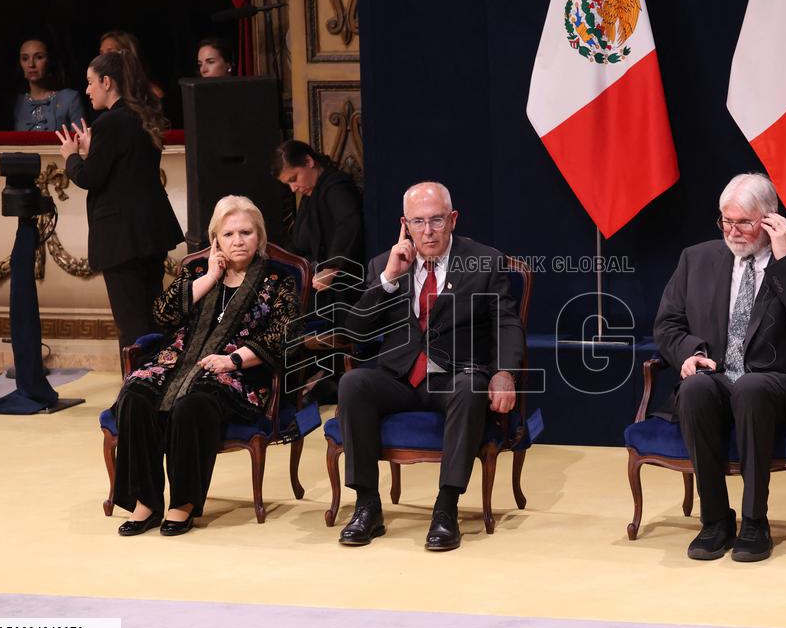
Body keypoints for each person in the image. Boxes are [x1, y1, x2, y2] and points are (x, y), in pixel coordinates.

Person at [653, 172, 786, 563]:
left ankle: (755, 521)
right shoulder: (696, 259)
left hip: (777, 384)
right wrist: (690, 353)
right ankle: (715, 520)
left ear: (770, 220)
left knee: (751, 387)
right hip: (718, 377)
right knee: (695, 388)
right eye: (726, 221)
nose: (733, 232)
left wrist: (785, 262)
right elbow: (667, 325)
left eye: (744, 223)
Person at [335, 181, 524, 551]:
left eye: (436, 220)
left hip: (454, 377)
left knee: (470, 387)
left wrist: (505, 373)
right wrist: (388, 279)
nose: (428, 231)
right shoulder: (385, 264)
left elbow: (507, 323)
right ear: (404, 225)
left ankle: (446, 508)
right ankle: (367, 506)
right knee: (354, 384)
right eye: (418, 222)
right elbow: (354, 331)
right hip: (399, 377)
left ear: (452, 219)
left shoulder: (483, 261)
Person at [111, 195, 303, 536]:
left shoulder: (278, 278)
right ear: (216, 240)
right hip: (178, 361)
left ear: (259, 236)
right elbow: (163, 314)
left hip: (238, 371)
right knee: (136, 394)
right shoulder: (197, 271)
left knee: (193, 403)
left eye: (246, 232)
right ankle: (145, 502)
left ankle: (182, 504)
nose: (238, 241)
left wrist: (232, 360)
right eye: (229, 234)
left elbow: (283, 336)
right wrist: (212, 276)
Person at [56, 50, 184, 352]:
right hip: (149, 235)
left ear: (107, 81)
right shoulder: (141, 117)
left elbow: (90, 177)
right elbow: (125, 172)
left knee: (132, 328)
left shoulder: (109, 123)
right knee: (152, 321)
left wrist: (71, 156)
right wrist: (94, 150)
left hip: (122, 241)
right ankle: (157, 378)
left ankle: (137, 382)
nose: (87, 90)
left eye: (91, 82)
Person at [272, 140, 364, 403]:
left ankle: (313, 382)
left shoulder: (336, 187)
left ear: (309, 162)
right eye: (288, 184)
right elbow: (298, 245)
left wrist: (332, 267)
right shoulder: (311, 196)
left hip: (342, 288)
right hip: (316, 285)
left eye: (294, 179)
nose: (293, 188)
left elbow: (349, 225)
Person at [13, 37, 85, 132]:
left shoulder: (70, 98)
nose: (31, 64)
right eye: (25, 58)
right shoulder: (17, 102)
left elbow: (80, 138)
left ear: (50, 61)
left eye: (39, 57)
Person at [98, 30, 165, 99]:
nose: (103, 58)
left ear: (126, 54)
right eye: (101, 53)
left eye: (109, 52)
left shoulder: (149, 92)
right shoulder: (99, 89)